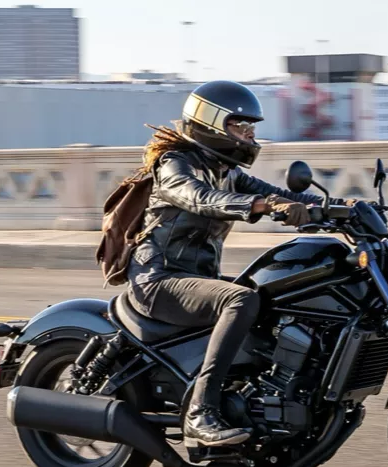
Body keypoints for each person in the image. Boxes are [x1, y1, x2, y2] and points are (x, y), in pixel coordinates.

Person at [127, 80, 339, 447]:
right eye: (239, 126)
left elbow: (280, 194)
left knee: (273, 295)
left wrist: (339, 208)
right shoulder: (174, 164)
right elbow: (199, 198)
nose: (248, 134)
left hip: (195, 278)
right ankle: (199, 413)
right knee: (240, 300)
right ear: (209, 123)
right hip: (159, 279)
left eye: (251, 128)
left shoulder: (227, 170)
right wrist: (260, 206)